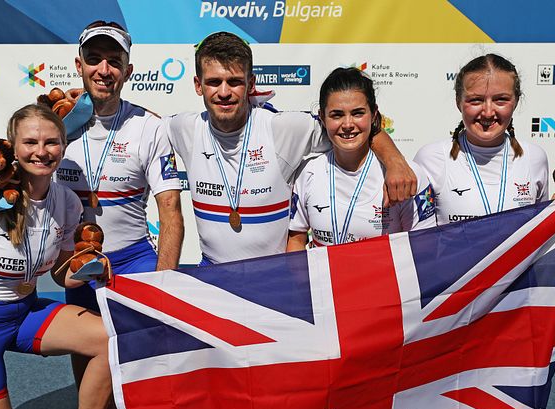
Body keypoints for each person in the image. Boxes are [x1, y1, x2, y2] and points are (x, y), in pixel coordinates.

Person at [0, 21, 184, 397]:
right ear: (78, 65)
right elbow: (9, 168)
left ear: (128, 70)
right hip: (73, 264)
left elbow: (170, 210)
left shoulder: (150, 127)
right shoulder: (54, 124)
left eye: (113, 61)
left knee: (146, 372)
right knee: (91, 372)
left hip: (133, 261)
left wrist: (164, 281)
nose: (103, 70)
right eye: (94, 59)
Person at [165, 31, 419, 265]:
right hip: (213, 274)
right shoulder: (184, 128)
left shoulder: (283, 128)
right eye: (213, 82)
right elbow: (140, 128)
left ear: (251, 83)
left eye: (234, 82)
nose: (224, 92)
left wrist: (394, 160)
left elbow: (350, 129)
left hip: (275, 279)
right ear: (198, 85)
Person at [0, 104, 111, 409]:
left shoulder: (68, 202)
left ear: (63, 146)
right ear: (13, 148)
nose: (41, 152)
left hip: (27, 311)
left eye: (51, 142)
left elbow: (61, 275)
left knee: (110, 339)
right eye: (30, 143)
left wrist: (90, 269)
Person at [414, 53, 555, 225]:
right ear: (459, 102)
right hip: (454, 275)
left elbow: (539, 233)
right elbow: (419, 242)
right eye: (476, 100)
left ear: (516, 101)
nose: (487, 112)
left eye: (500, 99)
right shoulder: (431, 158)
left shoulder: (534, 158)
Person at [288, 67, 436, 250]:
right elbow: (296, 240)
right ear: (322, 118)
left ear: (373, 115)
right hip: (325, 279)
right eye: (337, 115)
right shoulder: (308, 172)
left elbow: (425, 250)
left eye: (358, 113)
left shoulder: (407, 176)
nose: (348, 124)